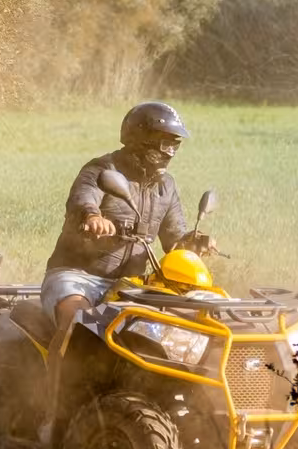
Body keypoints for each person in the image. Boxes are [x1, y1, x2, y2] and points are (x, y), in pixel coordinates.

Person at [42, 101, 216, 333]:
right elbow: (81, 200)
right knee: (80, 324)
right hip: (78, 278)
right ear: (142, 138)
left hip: (130, 286)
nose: (170, 152)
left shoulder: (166, 186)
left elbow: (173, 240)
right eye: (166, 143)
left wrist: (193, 241)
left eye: (175, 145)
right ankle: (55, 370)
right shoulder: (103, 170)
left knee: (175, 332)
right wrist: (93, 217)